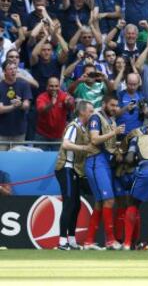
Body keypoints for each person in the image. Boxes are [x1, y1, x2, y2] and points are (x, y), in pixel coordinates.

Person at [83, 94, 126, 250]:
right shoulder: (96, 117)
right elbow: (94, 139)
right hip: (96, 161)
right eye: (112, 105)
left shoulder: (112, 121)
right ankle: (110, 240)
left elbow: (109, 144)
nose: (115, 108)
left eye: (116, 106)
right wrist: (114, 133)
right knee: (109, 201)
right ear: (104, 104)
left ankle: (88, 241)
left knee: (101, 203)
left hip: (105, 162)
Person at [54, 100, 94, 250]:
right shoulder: (74, 126)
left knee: (76, 205)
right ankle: (62, 241)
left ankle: (71, 239)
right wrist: (84, 148)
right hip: (66, 168)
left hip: (74, 170)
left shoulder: (83, 128)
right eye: (90, 111)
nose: (92, 114)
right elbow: (65, 144)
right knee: (69, 203)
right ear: (83, 112)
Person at [122, 125, 148, 250]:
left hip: (147, 171)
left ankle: (128, 243)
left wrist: (136, 159)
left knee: (133, 203)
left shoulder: (137, 138)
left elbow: (129, 159)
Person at [35, 77, 75, 150]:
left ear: (59, 87)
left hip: (59, 135)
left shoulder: (63, 95)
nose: (54, 88)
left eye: (56, 86)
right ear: (47, 87)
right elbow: (41, 110)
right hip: (42, 135)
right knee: (40, 159)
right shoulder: (41, 97)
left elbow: (71, 104)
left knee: (58, 159)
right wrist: (51, 104)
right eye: (51, 86)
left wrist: (69, 102)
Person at [0, 60, 31, 150]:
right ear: (4, 71)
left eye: (15, 68)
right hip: (2, 133)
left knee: (17, 160)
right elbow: (0, 109)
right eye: (10, 69)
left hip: (19, 132)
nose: (13, 71)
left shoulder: (24, 85)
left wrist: (20, 104)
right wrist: (14, 106)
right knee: (2, 160)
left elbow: (26, 105)